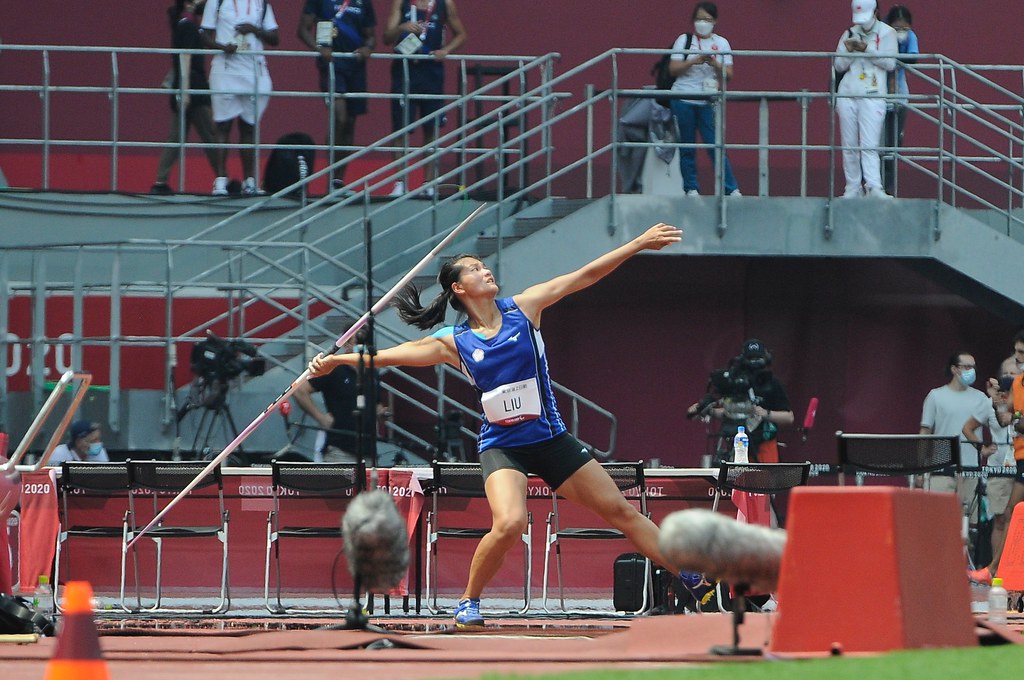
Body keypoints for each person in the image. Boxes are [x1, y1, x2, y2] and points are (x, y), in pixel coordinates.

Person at [308, 223, 683, 626]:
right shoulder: (454, 341)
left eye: (484, 266)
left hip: (551, 438)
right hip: (502, 445)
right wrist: (337, 361)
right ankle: (469, 602)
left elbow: (584, 275)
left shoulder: (524, 308)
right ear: (458, 288)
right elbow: (392, 356)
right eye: (474, 269)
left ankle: (695, 574)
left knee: (621, 513)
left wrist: (637, 244)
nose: (485, 271)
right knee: (510, 522)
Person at [382, 0, 467, 197]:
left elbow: (462, 34)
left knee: (431, 128)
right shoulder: (400, 3)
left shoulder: (444, 4)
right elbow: (386, 37)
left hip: (431, 73)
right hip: (405, 71)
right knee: (401, 129)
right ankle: (401, 183)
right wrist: (402, 27)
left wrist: (446, 51)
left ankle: (428, 183)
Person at [200, 0, 280, 196]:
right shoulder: (216, 2)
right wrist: (221, 46)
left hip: (254, 72)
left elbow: (275, 37)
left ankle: (249, 181)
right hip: (225, 69)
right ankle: (220, 181)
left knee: (249, 127)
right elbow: (203, 33)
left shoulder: (261, 3)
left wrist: (255, 30)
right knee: (223, 125)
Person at [298, 0, 377, 192]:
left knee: (350, 122)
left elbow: (371, 37)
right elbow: (302, 29)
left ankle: (338, 182)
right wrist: (319, 48)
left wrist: (368, 48)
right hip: (332, 65)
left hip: (356, 65)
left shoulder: (363, 2)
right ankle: (331, 174)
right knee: (339, 117)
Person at [667, 2, 741, 198]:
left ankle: (731, 188)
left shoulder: (722, 43)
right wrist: (693, 61)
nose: (702, 23)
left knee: (715, 146)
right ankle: (691, 188)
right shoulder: (684, 40)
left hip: (708, 101)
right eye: (699, 19)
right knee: (687, 146)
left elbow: (729, 74)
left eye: (707, 19)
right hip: (683, 98)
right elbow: (673, 69)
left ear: (715, 21)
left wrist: (714, 63)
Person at [151, 0, 222, 195]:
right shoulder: (189, 27)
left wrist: (179, 89)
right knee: (211, 136)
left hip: (183, 87)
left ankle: (160, 181)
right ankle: (222, 178)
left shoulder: (182, 24)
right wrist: (186, 90)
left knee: (176, 136)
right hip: (193, 87)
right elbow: (185, 58)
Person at [687, 338, 794, 464]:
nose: (754, 363)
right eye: (750, 358)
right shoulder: (736, 381)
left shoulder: (772, 383)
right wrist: (707, 410)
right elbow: (731, 411)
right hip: (737, 443)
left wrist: (764, 413)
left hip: (764, 444)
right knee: (735, 478)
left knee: (765, 481)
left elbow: (789, 417)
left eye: (757, 358)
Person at [833, 0, 898, 199]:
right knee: (849, 145)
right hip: (848, 94)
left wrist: (867, 50)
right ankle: (852, 187)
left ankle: (873, 186)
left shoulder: (887, 33)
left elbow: (890, 63)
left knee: (869, 145)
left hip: (872, 95)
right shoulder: (849, 33)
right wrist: (851, 51)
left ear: (876, 12)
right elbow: (838, 65)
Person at [969, 372, 1024, 585]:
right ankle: (996, 569)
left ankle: (994, 569)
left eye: (1021, 352)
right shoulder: (1018, 383)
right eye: (1017, 352)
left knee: (1013, 513)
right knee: (1011, 514)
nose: (1017, 357)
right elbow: (1004, 419)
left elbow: (1016, 420)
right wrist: (995, 401)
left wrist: (1016, 418)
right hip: (1019, 459)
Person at [919, 351, 991, 512]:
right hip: (942, 469)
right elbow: (925, 431)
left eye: (973, 367)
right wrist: (921, 467)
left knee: (969, 522)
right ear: (954, 369)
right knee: (939, 518)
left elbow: (996, 424)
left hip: (971, 468)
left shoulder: (981, 398)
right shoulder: (935, 396)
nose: (971, 371)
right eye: (966, 366)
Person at [881, 4, 919, 196]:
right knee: (878, 140)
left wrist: (895, 57)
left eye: (905, 28)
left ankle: (888, 185)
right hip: (879, 92)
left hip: (900, 93)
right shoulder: (882, 34)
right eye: (897, 28)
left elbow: (913, 58)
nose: (901, 32)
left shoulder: (910, 37)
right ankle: (874, 183)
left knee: (894, 141)